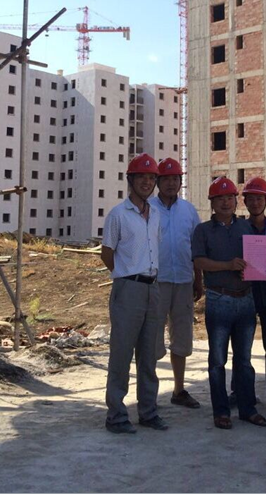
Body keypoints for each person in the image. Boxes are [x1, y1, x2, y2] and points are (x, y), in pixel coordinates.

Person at [191, 176, 266, 430]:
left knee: (244, 360)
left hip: (246, 299)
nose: (225, 202)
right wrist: (228, 265)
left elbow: (257, 258)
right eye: (219, 198)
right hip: (218, 299)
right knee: (217, 361)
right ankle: (221, 411)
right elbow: (199, 261)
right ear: (212, 203)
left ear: (236, 201)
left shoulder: (246, 227)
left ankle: (247, 409)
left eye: (229, 198)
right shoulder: (202, 231)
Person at [101, 153, 168, 434]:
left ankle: (148, 412)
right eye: (142, 177)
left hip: (153, 288)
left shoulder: (156, 215)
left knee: (149, 355)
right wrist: (126, 275)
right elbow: (107, 253)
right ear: (130, 180)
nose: (147, 182)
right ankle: (116, 416)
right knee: (121, 353)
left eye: (151, 178)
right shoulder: (118, 215)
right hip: (128, 288)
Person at [228, 177, 266, 412]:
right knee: (242, 348)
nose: (255, 203)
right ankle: (239, 391)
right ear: (245, 202)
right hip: (247, 293)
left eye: (259, 198)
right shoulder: (239, 228)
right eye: (250, 199)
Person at [150, 157, 203, 409]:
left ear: (181, 182)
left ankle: (179, 390)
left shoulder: (189, 211)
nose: (171, 183)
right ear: (157, 182)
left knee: (181, 336)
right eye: (166, 179)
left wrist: (198, 279)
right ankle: (148, 394)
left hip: (183, 281)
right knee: (151, 337)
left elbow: (196, 248)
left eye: (175, 179)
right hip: (155, 282)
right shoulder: (147, 208)